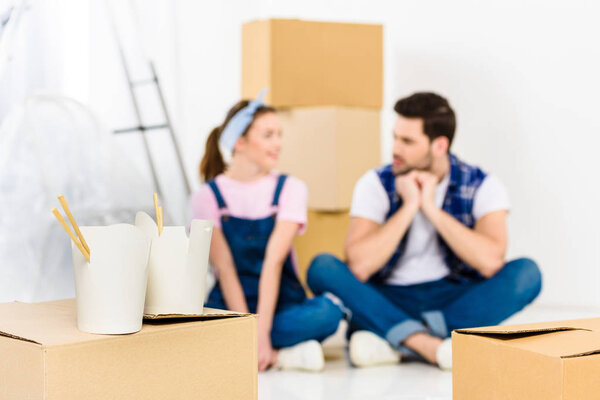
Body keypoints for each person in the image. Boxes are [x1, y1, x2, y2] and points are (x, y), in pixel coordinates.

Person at [306, 92, 542, 370]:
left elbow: (490, 262)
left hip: (453, 297)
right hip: (389, 296)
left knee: (528, 273)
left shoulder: (483, 185)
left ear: (439, 145)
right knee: (322, 267)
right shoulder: (376, 183)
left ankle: (396, 340)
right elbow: (359, 266)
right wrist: (409, 207)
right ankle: (429, 345)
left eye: (407, 141)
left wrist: (430, 208)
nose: (395, 149)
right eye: (395, 137)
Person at [191, 90, 343, 372]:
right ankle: (282, 353)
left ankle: (254, 349)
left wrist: (261, 332)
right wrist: (247, 328)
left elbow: (273, 263)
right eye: (268, 135)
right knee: (193, 328)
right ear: (240, 142)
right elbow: (224, 269)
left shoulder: (290, 188)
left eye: (279, 134)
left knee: (329, 314)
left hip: (281, 302)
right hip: (231, 304)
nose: (278, 144)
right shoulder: (207, 197)